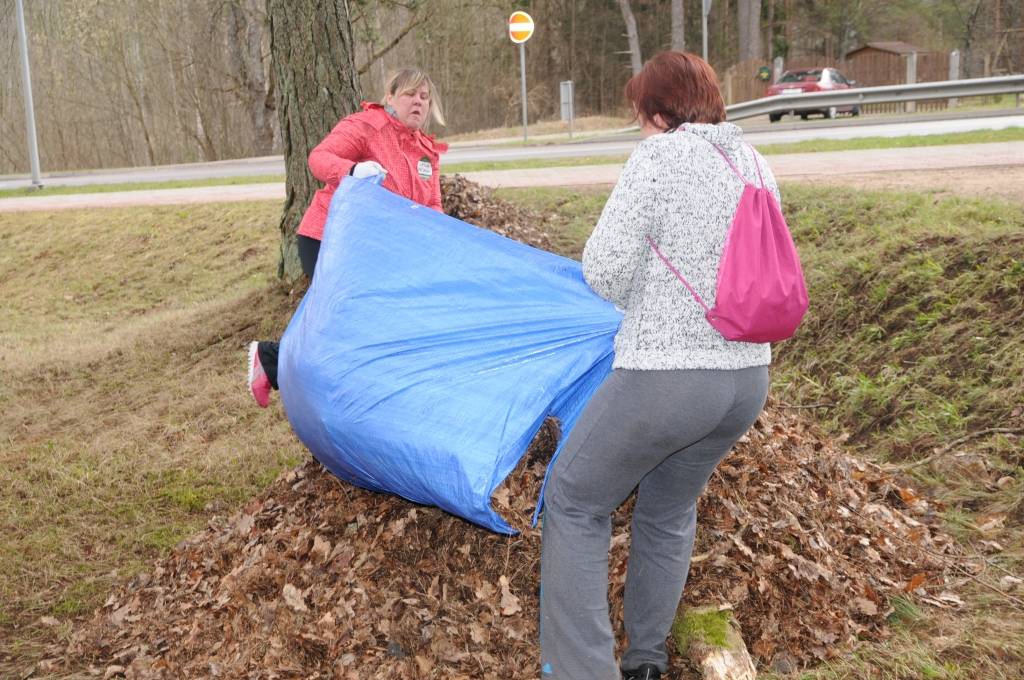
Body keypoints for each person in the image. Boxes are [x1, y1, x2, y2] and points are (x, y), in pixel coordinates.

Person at [538, 51, 776, 680]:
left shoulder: (659, 156)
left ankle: (584, 672)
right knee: (668, 511)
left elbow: (606, 268)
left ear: (656, 110)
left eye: (638, 112)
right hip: (746, 379)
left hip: (668, 377)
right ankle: (646, 663)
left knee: (574, 501)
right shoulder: (753, 161)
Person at [248, 68, 448, 407]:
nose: (417, 102)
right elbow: (319, 158)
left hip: (377, 253)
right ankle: (272, 360)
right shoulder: (366, 127)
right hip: (329, 238)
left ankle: (280, 365)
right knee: (351, 317)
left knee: (364, 319)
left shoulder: (425, 152)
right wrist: (352, 171)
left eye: (424, 97)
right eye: (410, 94)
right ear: (390, 97)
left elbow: (432, 207)